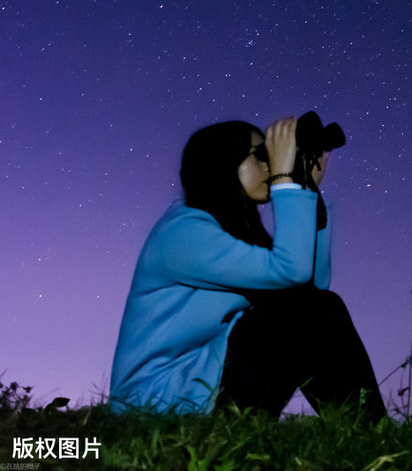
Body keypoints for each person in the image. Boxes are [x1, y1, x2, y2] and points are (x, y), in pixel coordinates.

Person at [110, 116, 386, 420]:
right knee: (312, 310)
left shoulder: (229, 234)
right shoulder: (182, 232)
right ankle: (372, 431)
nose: (270, 166)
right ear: (221, 162)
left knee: (316, 308)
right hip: (156, 399)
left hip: (202, 380)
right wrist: (285, 180)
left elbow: (312, 292)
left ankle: (366, 431)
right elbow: (294, 276)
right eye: (261, 156)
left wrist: (306, 187)